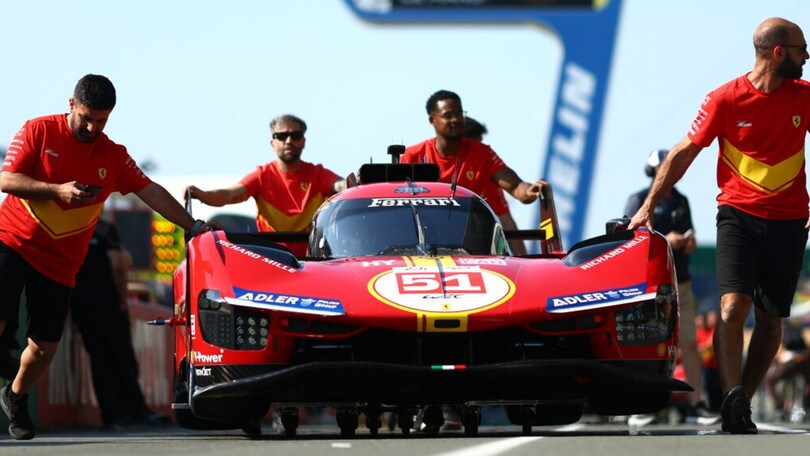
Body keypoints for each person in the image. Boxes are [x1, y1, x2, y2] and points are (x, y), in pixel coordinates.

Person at [0, 74, 215, 440]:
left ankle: (15, 395)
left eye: (101, 120)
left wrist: (194, 226)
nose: (91, 126)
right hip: (13, 241)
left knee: (42, 350)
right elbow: (7, 180)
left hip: (60, 263)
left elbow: (152, 192)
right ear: (71, 105)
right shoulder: (39, 130)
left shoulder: (112, 155)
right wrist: (55, 190)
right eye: (86, 117)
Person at [627, 18, 810, 434]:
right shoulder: (725, 99)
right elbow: (684, 151)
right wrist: (649, 205)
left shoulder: (805, 96)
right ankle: (731, 396)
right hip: (738, 217)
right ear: (777, 52)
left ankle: (739, 399)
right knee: (732, 306)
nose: (807, 56)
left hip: (789, 221)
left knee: (769, 318)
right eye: (802, 48)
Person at [624, 149, 719, 426]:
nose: (667, 174)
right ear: (652, 171)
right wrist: (668, 238)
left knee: (689, 344)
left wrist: (688, 241)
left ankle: (696, 404)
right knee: (648, 345)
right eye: (661, 168)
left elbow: (689, 232)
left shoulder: (682, 200)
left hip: (681, 280)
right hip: (649, 284)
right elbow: (629, 238)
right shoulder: (638, 199)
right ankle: (645, 405)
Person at [401, 90, 546, 253]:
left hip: (472, 249)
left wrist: (529, 191)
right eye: (448, 115)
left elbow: (517, 188)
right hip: (424, 247)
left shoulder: (483, 153)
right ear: (432, 120)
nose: (455, 119)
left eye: (459, 113)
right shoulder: (412, 156)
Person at [185, 114, 345, 257]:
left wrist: (352, 183)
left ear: (303, 142)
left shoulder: (317, 174)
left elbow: (340, 185)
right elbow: (228, 194)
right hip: (272, 260)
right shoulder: (262, 176)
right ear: (272, 143)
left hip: (311, 262)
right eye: (281, 136)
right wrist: (202, 194)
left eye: (295, 136)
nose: (288, 141)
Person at [71, 218, 169, 430]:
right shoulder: (104, 228)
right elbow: (117, 265)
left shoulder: (68, 227)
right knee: (123, 357)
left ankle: (113, 415)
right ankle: (136, 411)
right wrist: (122, 300)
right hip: (108, 303)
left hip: (80, 303)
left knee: (99, 360)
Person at [463, 117, 527, 256]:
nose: (481, 150)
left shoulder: (487, 180)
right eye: (477, 145)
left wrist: (525, 264)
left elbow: (508, 223)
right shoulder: (425, 161)